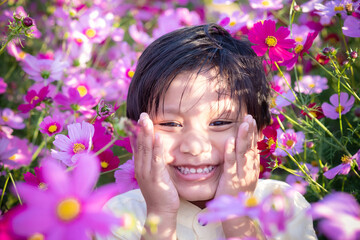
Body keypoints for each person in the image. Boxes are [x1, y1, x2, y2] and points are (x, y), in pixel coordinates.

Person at [98, 24, 317, 240]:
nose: (194, 147)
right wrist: (160, 213)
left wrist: (236, 215)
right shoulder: (121, 216)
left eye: (220, 122)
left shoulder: (281, 204)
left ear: (258, 131)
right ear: (137, 134)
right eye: (171, 124)